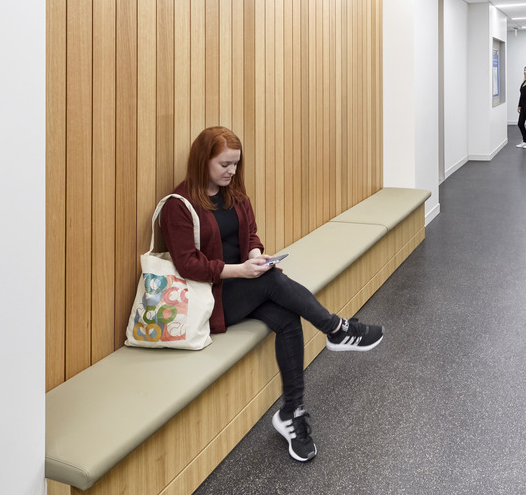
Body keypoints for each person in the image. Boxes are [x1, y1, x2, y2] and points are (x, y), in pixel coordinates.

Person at [161, 126, 383, 463]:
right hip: (214, 297)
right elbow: (188, 264)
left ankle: (292, 413)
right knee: (273, 283)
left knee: (287, 318)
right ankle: (337, 329)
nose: (231, 171)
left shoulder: (234, 193)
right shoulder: (178, 205)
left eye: (235, 164)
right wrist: (241, 271)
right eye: (224, 164)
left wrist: (255, 257)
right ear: (202, 161)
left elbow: (250, 235)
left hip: (245, 284)